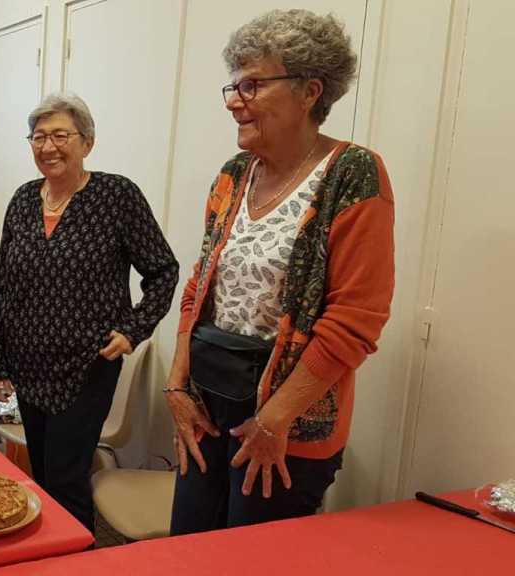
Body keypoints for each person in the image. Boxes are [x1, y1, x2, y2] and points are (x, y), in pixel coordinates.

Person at [164, 9, 395, 535]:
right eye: (233, 86)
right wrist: (176, 387)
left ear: (310, 91)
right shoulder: (234, 175)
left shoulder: (353, 173)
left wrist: (274, 419)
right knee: (188, 550)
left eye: (252, 85)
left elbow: (356, 318)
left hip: (285, 422)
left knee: (253, 558)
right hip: (207, 401)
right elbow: (200, 287)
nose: (234, 101)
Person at [0, 93, 179, 531]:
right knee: (43, 471)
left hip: (86, 366)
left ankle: (75, 554)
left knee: (67, 479)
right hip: (28, 366)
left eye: (60, 136)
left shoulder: (116, 196)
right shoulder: (23, 199)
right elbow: (3, 286)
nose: (48, 147)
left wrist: (133, 329)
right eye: (39, 137)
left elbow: (163, 270)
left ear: (87, 142)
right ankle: (50, 550)